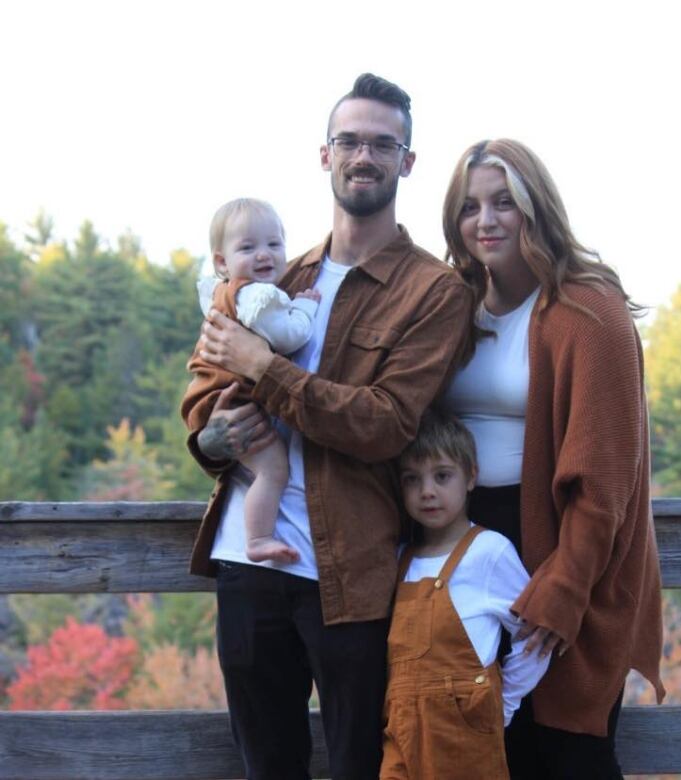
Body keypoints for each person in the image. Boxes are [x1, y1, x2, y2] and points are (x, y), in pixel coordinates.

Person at [184, 74, 472, 780]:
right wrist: (212, 436)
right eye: (350, 141)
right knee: (267, 766)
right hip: (246, 565)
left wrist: (266, 368)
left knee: (361, 766)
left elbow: (385, 424)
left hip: (347, 577)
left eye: (382, 144)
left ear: (406, 162)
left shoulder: (434, 292)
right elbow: (203, 399)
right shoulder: (276, 273)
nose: (363, 156)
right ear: (326, 155)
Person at [441, 138, 666, 779]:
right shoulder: (452, 303)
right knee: (483, 751)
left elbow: (606, 481)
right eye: (470, 206)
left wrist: (565, 589)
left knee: (567, 753)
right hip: (462, 544)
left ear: (536, 206)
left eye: (504, 202)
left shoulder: (586, 309)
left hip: (553, 544)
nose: (485, 220)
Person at [380, 409, 549, 780]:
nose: (427, 491)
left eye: (442, 476)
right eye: (412, 479)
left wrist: (501, 706)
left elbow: (532, 635)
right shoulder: (399, 559)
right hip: (403, 731)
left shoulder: (488, 551)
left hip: (466, 734)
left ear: (470, 477)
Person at [183, 197, 320, 564]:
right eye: (248, 247)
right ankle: (258, 539)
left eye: (274, 245)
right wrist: (306, 306)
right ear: (221, 262)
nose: (264, 255)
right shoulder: (255, 295)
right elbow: (290, 335)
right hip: (232, 402)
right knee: (273, 468)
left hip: (209, 398)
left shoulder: (221, 292)